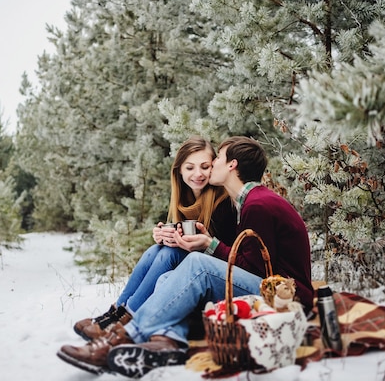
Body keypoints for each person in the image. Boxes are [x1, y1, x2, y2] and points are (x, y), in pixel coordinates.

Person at [57, 136, 314, 378]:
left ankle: (122, 337)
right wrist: (204, 240)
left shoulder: (257, 205)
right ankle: (170, 341)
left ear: (232, 165)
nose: (212, 165)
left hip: (287, 297)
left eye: (217, 159)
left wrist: (210, 244)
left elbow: (257, 271)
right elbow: (251, 263)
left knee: (196, 263)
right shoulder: (251, 201)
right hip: (272, 288)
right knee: (169, 277)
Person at [73, 135, 237, 341]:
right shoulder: (185, 198)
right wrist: (163, 235)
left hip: (215, 274)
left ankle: (127, 317)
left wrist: (178, 242)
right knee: (156, 250)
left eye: (205, 166)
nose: (198, 174)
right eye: (190, 168)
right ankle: (117, 311)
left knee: (170, 252)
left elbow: (220, 253)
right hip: (193, 266)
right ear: (179, 170)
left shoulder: (223, 202)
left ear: (213, 166)